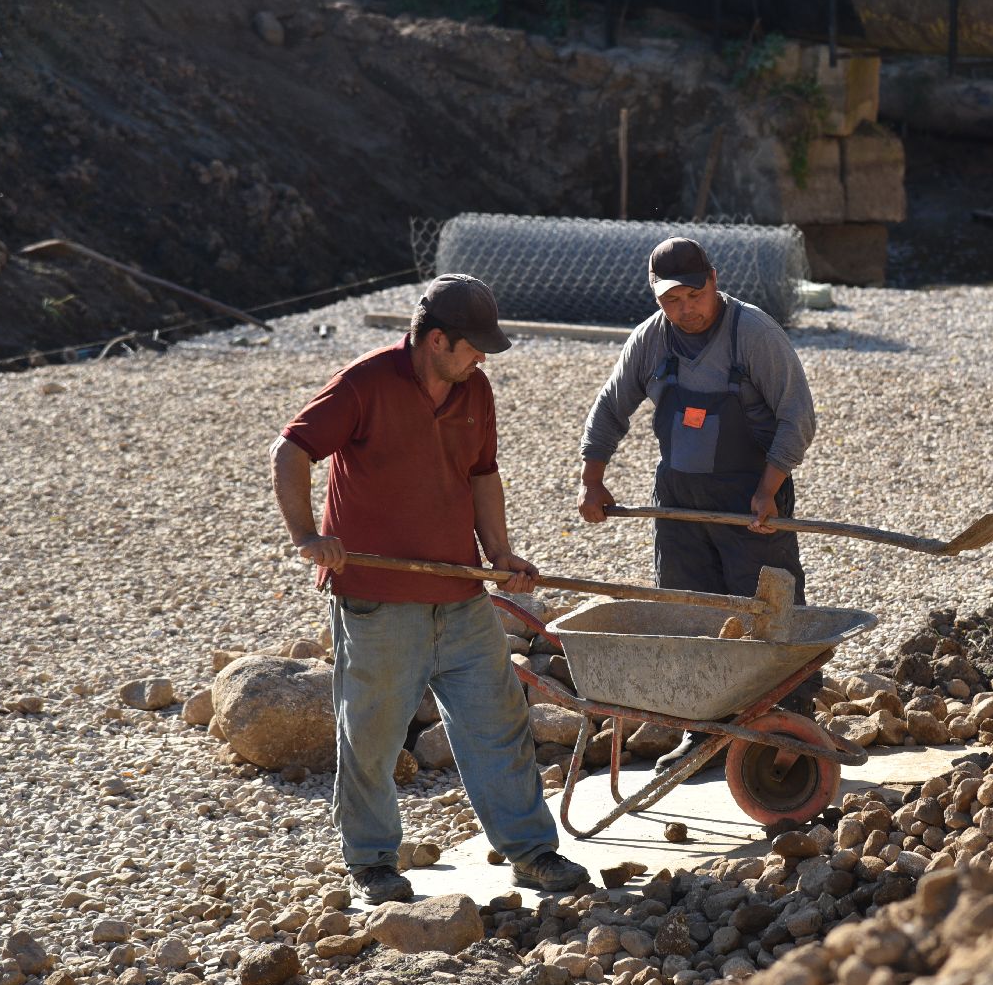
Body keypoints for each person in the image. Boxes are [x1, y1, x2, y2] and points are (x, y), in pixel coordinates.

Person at [270, 273, 588, 905]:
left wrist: (499, 554)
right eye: (474, 347)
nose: (482, 360)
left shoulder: (475, 390)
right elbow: (290, 449)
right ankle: (372, 862)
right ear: (436, 340)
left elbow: (482, 474)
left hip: (460, 592)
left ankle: (531, 852)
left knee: (497, 721)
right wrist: (308, 535)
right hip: (378, 601)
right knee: (371, 736)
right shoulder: (365, 383)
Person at [578, 237, 819, 775]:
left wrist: (768, 490)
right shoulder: (650, 340)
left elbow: (797, 416)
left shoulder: (753, 334)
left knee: (767, 613)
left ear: (714, 279)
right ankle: (702, 733)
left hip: (750, 498)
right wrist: (592, 481)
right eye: (672, 300)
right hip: (679, 503)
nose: (686, 309)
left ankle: (788, 729)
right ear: (656, 298)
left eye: (695, 294)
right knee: (690, 613)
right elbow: (611, 406)